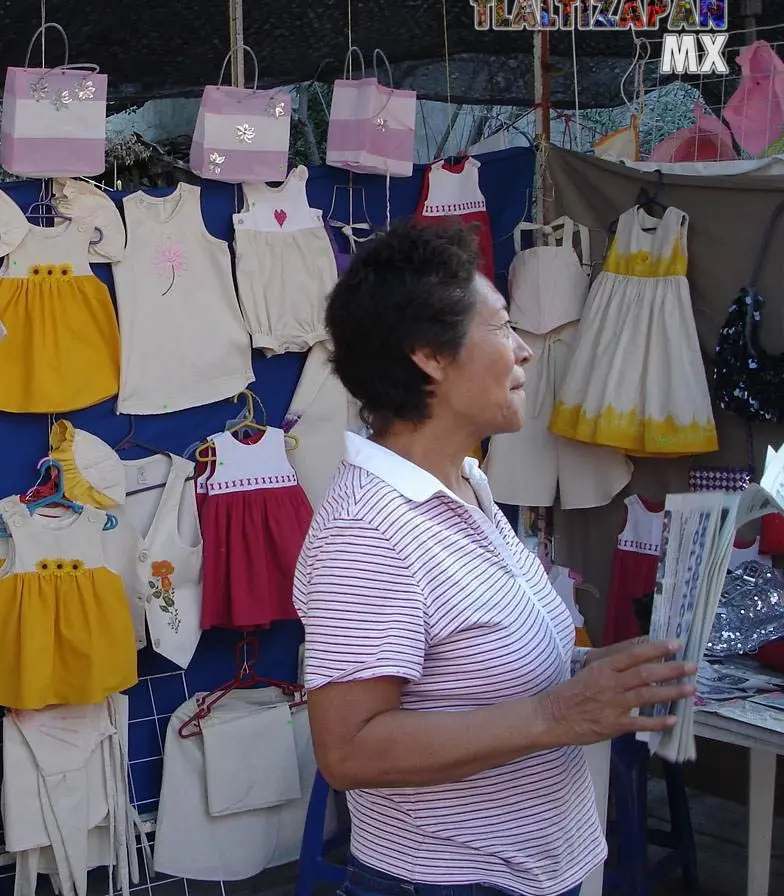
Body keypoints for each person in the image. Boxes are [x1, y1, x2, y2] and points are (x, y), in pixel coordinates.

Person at [294, 221, 695, 896]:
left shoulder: (469, 486)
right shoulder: (369, 530)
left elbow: (478, 670)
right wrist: (560, 715)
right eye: (502, 327)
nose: (523, 353)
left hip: (531, 871)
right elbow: (349, 749)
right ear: (430, 355)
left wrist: (607, 675)